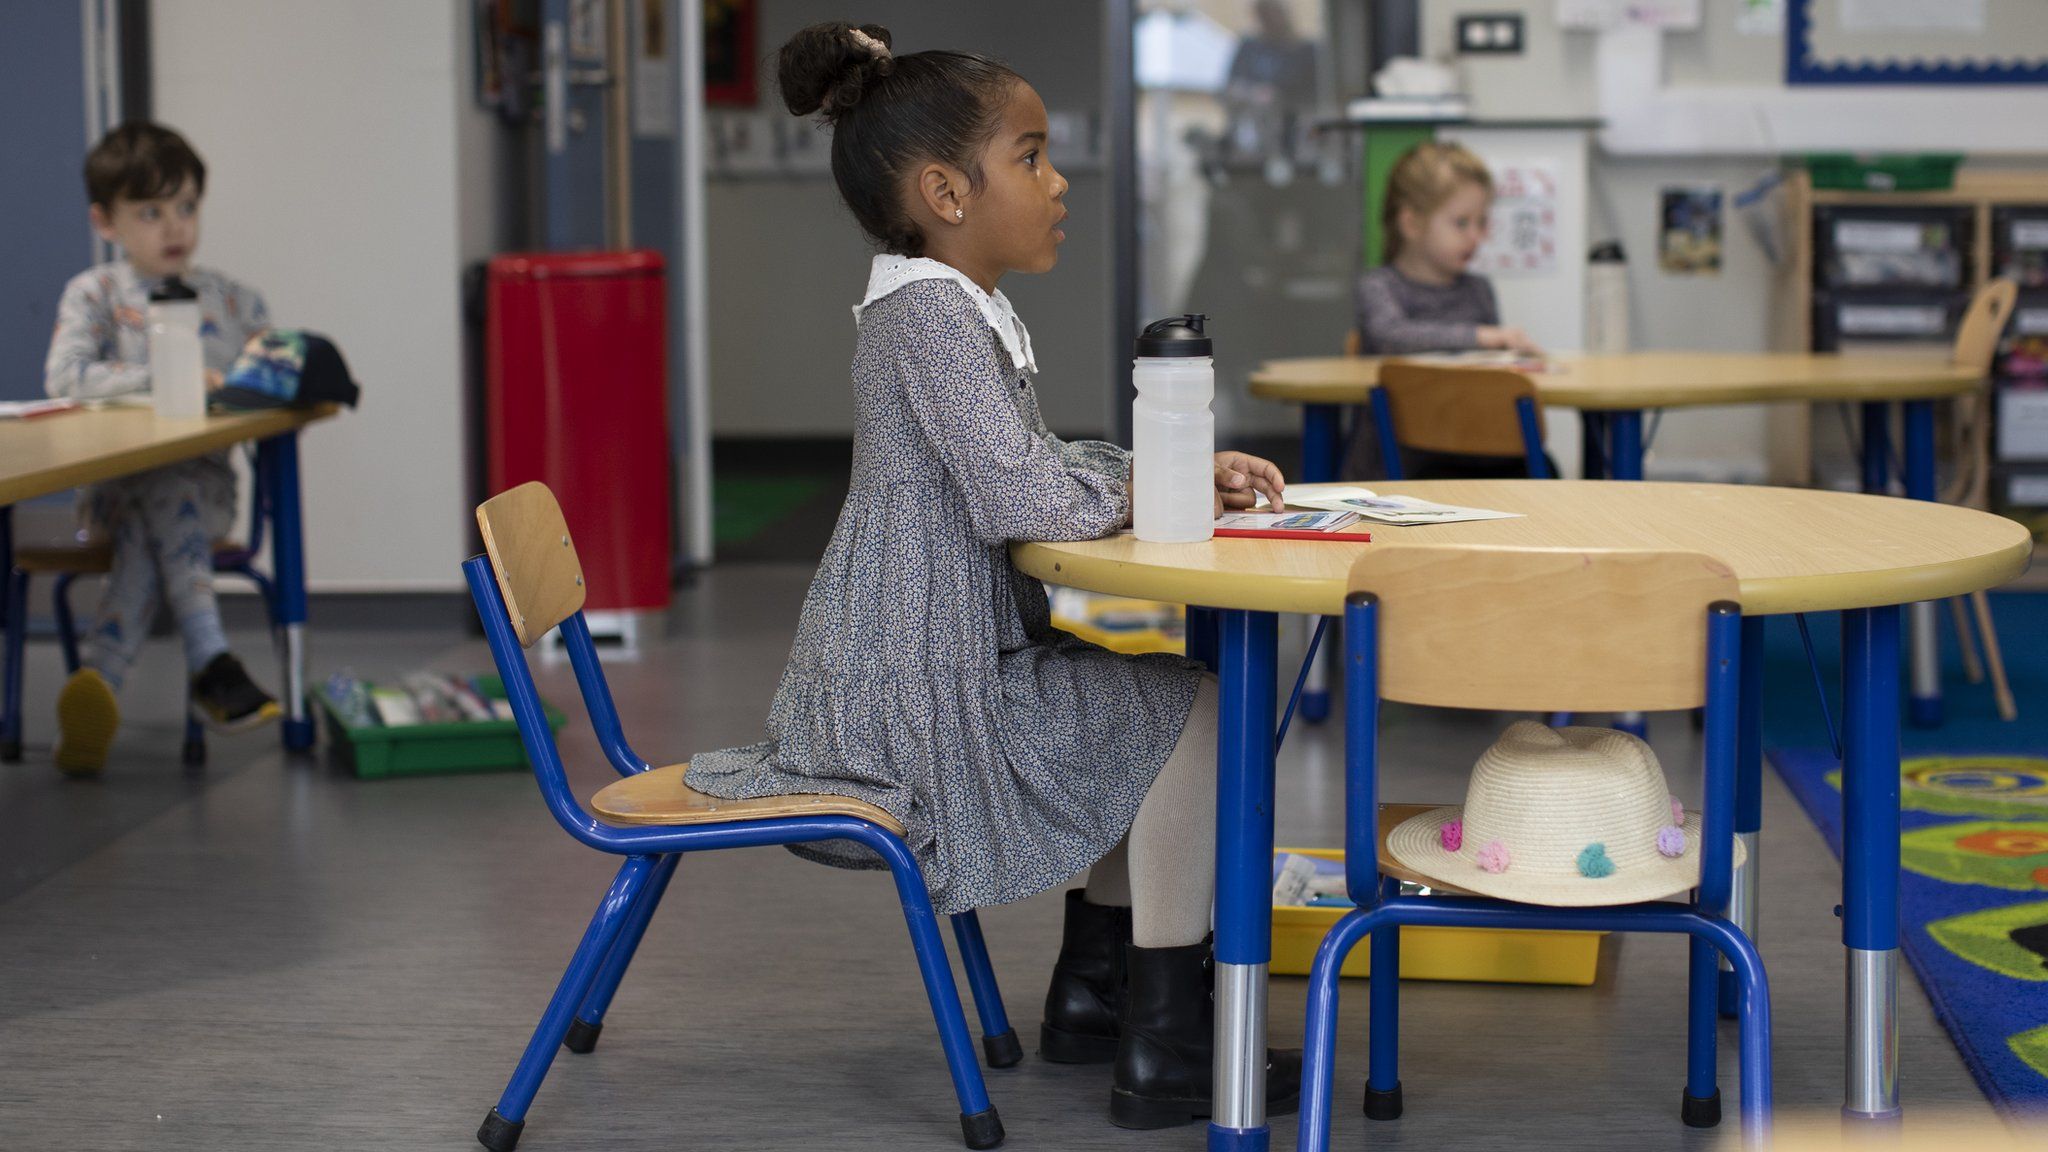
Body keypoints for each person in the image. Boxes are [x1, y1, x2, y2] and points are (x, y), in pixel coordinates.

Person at [684, 21, 1302, 1129]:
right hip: (909, 697)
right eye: (1030, 156)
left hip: (926, 662)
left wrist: (1162, 470)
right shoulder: (927, 315)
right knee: (1191, 708)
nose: (1057, 180)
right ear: (944, 191)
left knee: (1151, 701)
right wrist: (1151, 489)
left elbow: (1032, 463)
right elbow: (1019, 500)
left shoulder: (949, 308)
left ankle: (1097, 995)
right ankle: (1160, 1040)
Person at [42, 122, 280, 776]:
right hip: (113, 496)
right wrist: (167, 378)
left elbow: (275, 374)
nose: (174, 227)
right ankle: (212, 663)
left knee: (171, 495)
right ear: (106, 220)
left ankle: (99, 682)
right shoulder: (94, 294)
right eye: (149, 212)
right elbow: (64, 377)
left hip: (208, 495)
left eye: (185, 207)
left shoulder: (233, 300)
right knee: (155, 497)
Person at [1356, 140, 1535, 357]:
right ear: (1412, 224)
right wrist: (1482, 337)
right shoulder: (1379, 285)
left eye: (1481, 222)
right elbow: (1390, 337)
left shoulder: (1479, 289)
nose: (1476, 236)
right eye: (1461, 223)